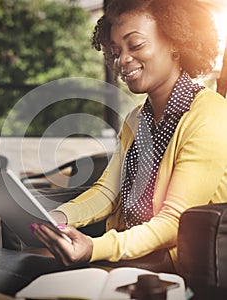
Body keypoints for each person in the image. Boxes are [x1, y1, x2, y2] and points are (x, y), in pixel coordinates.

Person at [31, 0, 227, 272]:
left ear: (175, 43)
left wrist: (93, 248)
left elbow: (174, 223)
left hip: (178, 269)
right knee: (36, 258)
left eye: (135, 45)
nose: (122, 60)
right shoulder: (136, 118)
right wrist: (57, 218)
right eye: (115, 51)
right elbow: (108, 193)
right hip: (130, 255)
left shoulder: (211, 114)